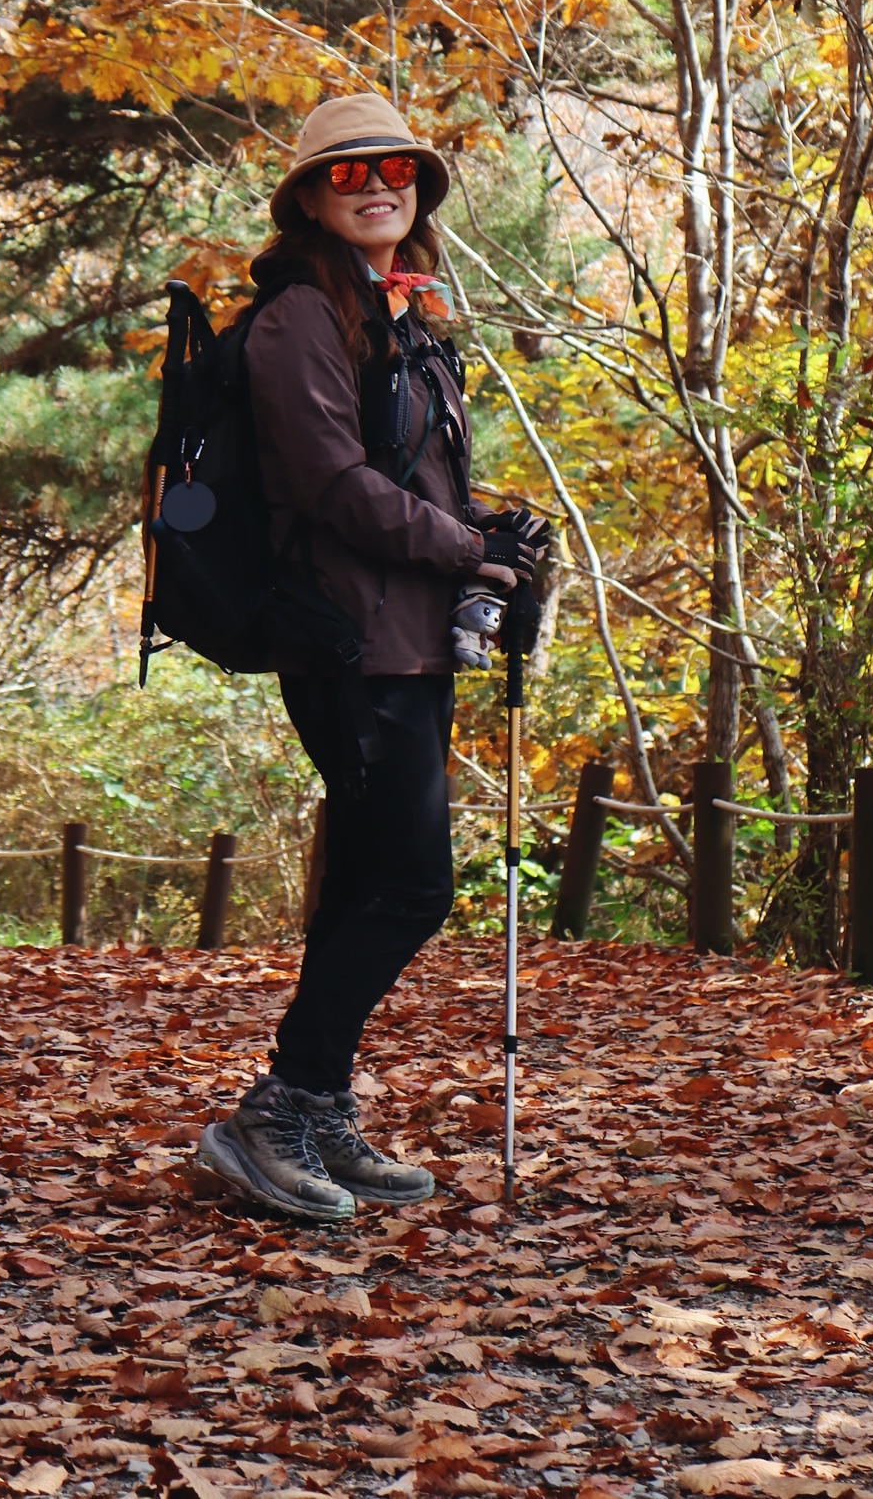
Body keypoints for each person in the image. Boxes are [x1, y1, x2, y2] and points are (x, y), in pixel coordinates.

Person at [197, 92, 544, 1224]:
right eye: (348, 173)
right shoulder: (301, 316)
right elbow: (333, 486)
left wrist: (493, 538)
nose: (377, 186)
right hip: (348, 639)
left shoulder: (398, 312)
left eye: (395, 168)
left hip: (408, 639)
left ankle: (315, 1109)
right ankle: (275, 1112)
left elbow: (415, 479)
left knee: (363, 880)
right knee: (410, 884)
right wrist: (468, 550)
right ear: (309, 197)